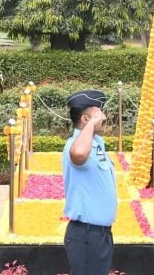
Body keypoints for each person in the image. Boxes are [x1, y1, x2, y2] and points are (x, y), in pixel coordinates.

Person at [62, 89, 117, 275]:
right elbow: (78, 155)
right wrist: (92, 124)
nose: (103, 118)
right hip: (86, 235)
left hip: (99, 235)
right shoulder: (75, 145)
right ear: (85, 119)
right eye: (98, 114)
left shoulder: (96, 143)